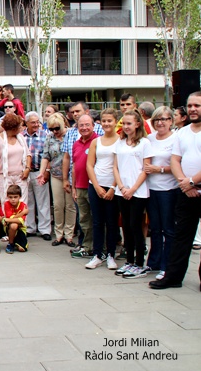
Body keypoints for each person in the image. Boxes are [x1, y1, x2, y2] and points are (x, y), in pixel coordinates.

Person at [150, 92, 201, 290]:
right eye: (190, 106)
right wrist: (185, 183)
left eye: (197, 105)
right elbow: (175, 160)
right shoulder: (183, 133)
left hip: (195, 187)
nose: (192, 109)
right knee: (181, 236)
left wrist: (191, 181)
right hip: (186, 192)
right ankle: (173, 277)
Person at [112, 110, 153, 279]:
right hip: (122, 191)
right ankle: (129, 261)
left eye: (129, 123)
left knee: (136, 226)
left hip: (138, 192)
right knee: (126, 227)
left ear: (137, 124)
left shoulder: (144, 143)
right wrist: (121, 187)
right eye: (124, 123)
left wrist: (133, 189)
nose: (126, 127)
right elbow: (115, 167)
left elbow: (146, 169)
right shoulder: (120, 143)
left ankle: (139, 263)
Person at [144, 106, 178, 280]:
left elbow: (179, 165)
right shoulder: (149, 139)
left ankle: (167, 265)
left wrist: (160, 169)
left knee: (168, 229)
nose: (161, 123)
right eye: (157, 119)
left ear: (171, 121)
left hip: (169, 190)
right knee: (155, 228)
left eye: (164, 119)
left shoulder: (176, 139)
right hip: (151, 190)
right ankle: (154, 262)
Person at [85, 109, 120, 269]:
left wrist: (113, 187)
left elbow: (120, 167)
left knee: (112, 222)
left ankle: (111, 254)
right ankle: (97, 254)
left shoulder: (121, 141)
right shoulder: (96, 142)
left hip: (113, 186)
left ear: (115, 122)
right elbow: (90, 165)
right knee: (97, 222)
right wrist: (97, 186)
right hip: (96, 186)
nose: (106, 124)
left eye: (109, 121)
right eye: (104, 121)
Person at [39, 113, 75, 247]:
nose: (55, 131)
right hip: (55, 174)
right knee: (58, 205)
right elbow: (45, 156)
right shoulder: (50, 138)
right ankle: (59, 234)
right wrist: (42, 172)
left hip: (71, 175)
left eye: (57, 128)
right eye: (52, 129)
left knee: (70, 206)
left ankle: (69, 235)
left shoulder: (71, 134)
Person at [69, 114, 99, 259]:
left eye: (87, 124)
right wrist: (74, 187)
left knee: (98, 219)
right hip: (80, 186)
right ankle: (87, 246)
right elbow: (75, 166)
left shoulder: (98, 141)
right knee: (84, 220)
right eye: (81, 125)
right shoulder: (76, 143)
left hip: (94, 186)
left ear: (93, 125)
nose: (84, 128)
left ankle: (101, 247)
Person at [0, 113, 31, 205]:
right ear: (13, 128)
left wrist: (27, 169)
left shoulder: (21, 138)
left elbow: (28, 154)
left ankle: (21, 220)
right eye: (19, 126)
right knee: (7, 203)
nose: (21, 128)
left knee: (22, 203)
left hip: (21, 176)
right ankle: (8, 220)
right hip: (4, 177)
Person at [24, 111, 51, 240]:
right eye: (33, 122)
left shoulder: (45, 135)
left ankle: (45, 229)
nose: (35, 125)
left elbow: (49, 155)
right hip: (25, 173)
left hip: (39, 172)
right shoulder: (21, 136)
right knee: (28, 201)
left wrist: (46, 171)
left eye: (37, 122)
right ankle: (30, 228)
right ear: (26, 123)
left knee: (43, 202)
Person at [2, 184, 29, 253]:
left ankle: (16, 242)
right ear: (7, 197)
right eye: (10, 197)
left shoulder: (23, 205)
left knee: (21, 249)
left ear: (20, 197)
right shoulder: (6, 204)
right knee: (14, 225)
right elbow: (11, 219)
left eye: (15, 197)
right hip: (10, 227)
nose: (13, 199)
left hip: (21, 228)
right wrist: (22, 213)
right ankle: (10, 244)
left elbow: (21, 221)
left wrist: (7, 219)